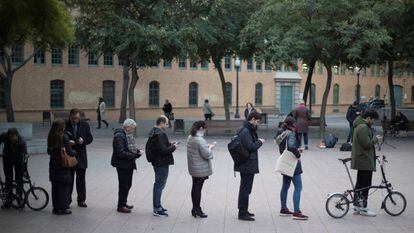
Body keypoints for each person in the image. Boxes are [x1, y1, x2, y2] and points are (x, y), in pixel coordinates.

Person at [275, 116, 308, 220]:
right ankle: (297, 212)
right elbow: (292, 146)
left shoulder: (283, 133)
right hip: (292, 164)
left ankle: (283, 209)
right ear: (293, 124)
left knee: (285, 186)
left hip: (285, 162)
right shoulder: (292, 133)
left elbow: (284, 146)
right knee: (298, 187)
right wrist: (298, 155)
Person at [234, 112, 265, 221]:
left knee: (246, 189)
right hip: (247, 164)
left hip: (246, 163)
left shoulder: (247, 129)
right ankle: (242, 213)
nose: (258, 124)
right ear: (252, 119)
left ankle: (244, 210)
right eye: (257, 121)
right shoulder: (246, 131)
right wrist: (260, 142)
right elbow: (250, 146)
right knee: (245, 189)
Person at [351, 109, 381, 217]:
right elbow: (367, 144)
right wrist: (375, 139)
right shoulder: (363, 127)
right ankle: (363, 208)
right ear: (368, 118)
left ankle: (357, 206)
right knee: (365, 185)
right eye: (373, 120)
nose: (373, 122)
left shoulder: (360, 125)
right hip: (364, 161)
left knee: (360, 184)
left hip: (362, 159)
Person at [147, 116, 177, 217]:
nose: (167, 125)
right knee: (159, 185)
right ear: (161, 123)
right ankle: (157, 208)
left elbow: (161, 147)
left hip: (158, 162)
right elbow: (163, 150)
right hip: (161, 162)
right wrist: (173, 147)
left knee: (159, 184)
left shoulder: (155, 132)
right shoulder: (159, 134)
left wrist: (169, 144)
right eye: (167, 123)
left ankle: (158, 205)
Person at [111, 119, 141, 213]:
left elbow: (128, 149)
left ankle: (124, 202)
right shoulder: (119, 136)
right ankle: (121, 206)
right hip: (122, 164)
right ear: (127, 127)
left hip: (127, 163)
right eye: (133, 128)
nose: (133, 130)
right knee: (124, 185)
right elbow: (120, 152)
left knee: (128, 184)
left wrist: (136, 152)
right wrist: (134, 155)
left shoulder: (126, 135)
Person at [65, 108, 93, 208]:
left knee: (81, 180)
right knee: (69, 179)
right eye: (73, 118)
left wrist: (83, 140)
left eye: (77, 118)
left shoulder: (84, 125)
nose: (75, 120)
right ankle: (67, 200)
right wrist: (67, 142)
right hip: (70, 156)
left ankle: (81, 200)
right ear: (70, 117)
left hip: (81, 156)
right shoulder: (65, 125)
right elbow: (60, 138)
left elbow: (90, 138)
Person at [48, 119, 77, 215]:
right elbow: (69, 152)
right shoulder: (63, 137)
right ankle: (63, 208)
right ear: (61, 127)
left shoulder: (51, 136)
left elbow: (49, 151)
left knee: (55, 187)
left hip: (53, 165)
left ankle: (55, 208)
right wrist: (74, 150)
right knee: (64, 188)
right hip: (62, 165)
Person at [187, 121, 214, 218]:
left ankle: (194, 209)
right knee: (198, 189)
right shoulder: (200, 139)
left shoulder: (190, 137)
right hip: (200, 168)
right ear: (201, 128)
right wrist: (210, 148)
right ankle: (197, 209)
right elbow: (206, 154)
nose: (205, 130)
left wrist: (206, 148)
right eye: (205, 128)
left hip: (193, 167)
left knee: (194, 188)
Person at [0, 128, 26, 209]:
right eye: (10, 138)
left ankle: (19, 198)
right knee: (8, 179)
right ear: (8, 136)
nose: (12, 140)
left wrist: (24, 169)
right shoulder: (4, 136)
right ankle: (8, 200)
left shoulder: (22, 142)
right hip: (7, 159)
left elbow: (24, 156)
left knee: (19, 179)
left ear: (17, 135)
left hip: (18, 160)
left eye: (14, 138)